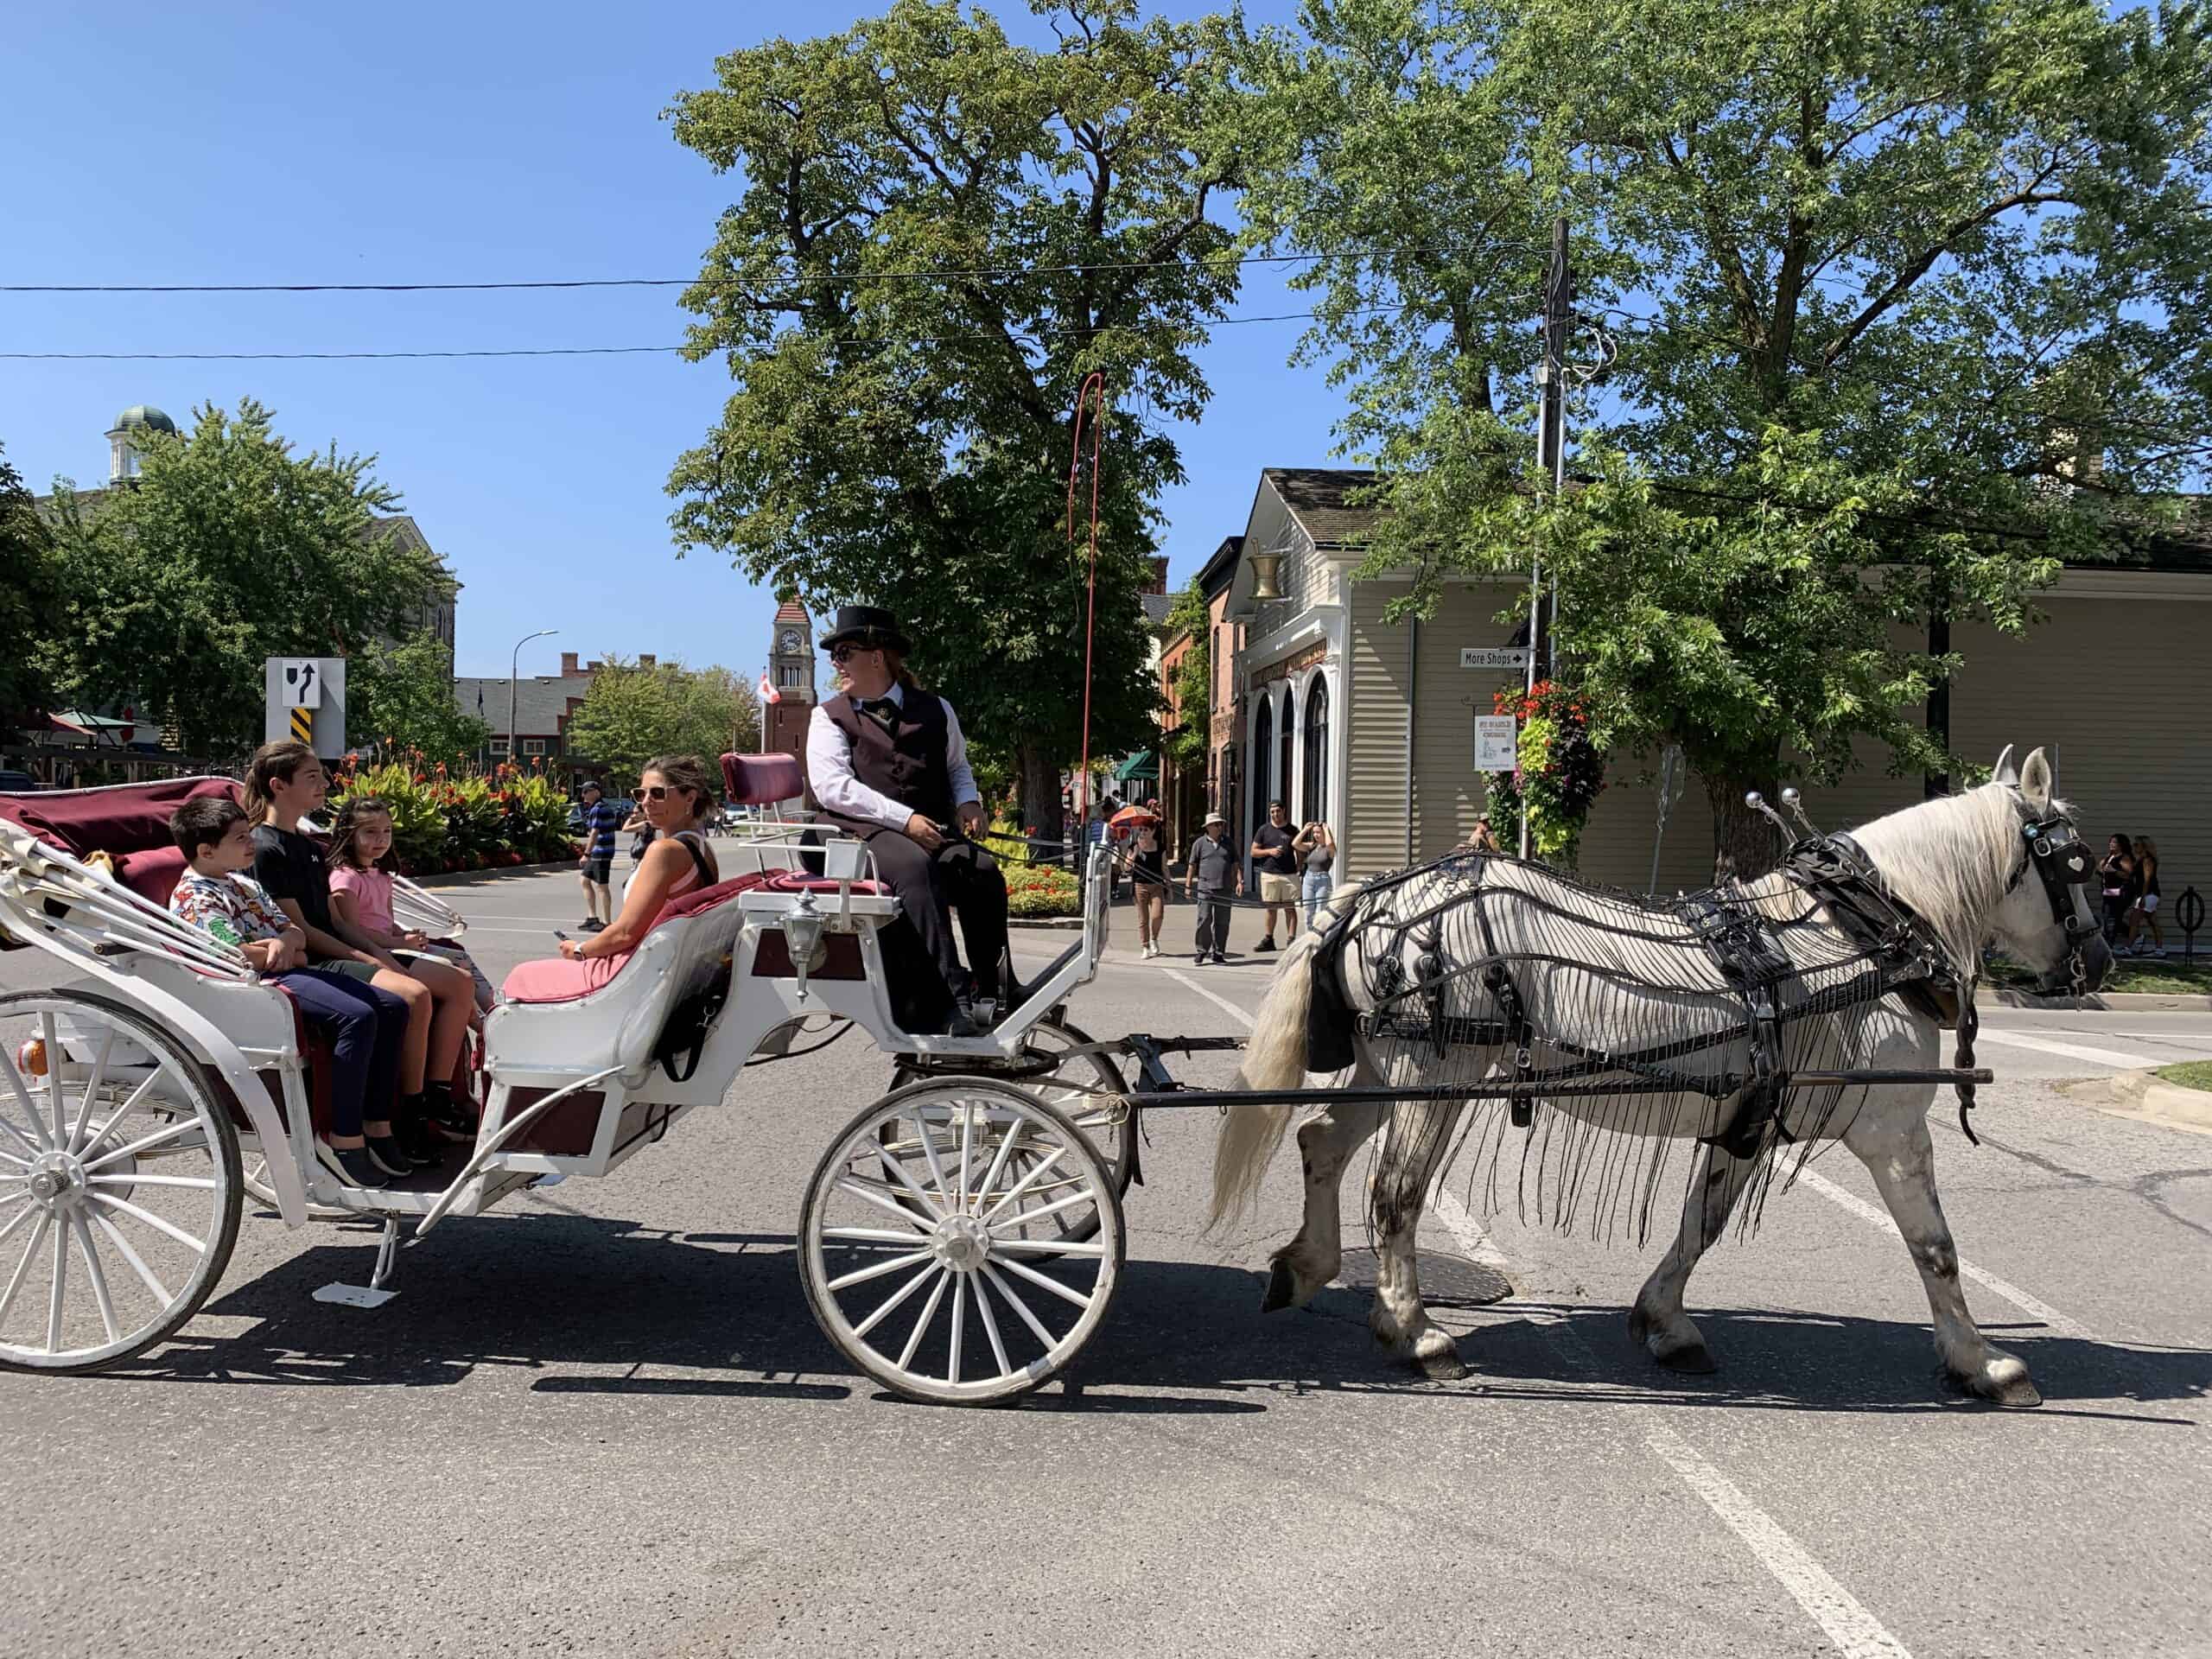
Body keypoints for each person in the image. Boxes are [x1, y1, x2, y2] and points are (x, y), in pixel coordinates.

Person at [168, 795, 410, 1190]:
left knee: (393, 1005)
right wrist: (279, 948)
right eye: (240, 838)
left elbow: (291, 931)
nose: (251, 843)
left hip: (285, 971)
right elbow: (230, 954)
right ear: (206, 850)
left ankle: (377, 1121)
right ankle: (342, 1136)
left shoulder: (244, 884)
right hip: (252, 988)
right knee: (358, 1016)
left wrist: (284, 944)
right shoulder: (195, 896)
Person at [245, 741, 470, 1163]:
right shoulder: (265, 847)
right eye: (311, 776)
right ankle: (404, 1115)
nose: (324, 783)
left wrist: (378, 952)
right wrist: (368, 959)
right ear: (278, 785)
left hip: (337, 948)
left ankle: (416, 1105)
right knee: (414, 995)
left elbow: (339, 921)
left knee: (428, 989)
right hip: (309, 958)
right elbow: (305, 930)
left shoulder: (309, 847)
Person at [804, 606, 1008, 1037]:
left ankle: (997, 988)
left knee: (983, 872)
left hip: (925, 828)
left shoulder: (936, 709)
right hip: (851, 832)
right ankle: (950, 1002)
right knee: (916, 870)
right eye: (835, 654)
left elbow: (957, 767)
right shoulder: (828, 716)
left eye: (843, 652)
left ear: (876, 657)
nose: (835, 662)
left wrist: (969, 802)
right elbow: (833, 789)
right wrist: (906, 819)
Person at [503, 755, 721, 1001]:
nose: (646, 803)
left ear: (690, 798)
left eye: (658, 793)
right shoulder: (703, 848)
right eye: (641, 794)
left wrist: (579, 950)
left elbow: (625, 933)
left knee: (521, 976)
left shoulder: (665, 851)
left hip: (640, 971)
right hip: (673, 966)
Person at [327, 796, 494, 1023]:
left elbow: (386, 922)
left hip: (393, 945)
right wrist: (400, 943)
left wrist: (406, 935)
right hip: (375, 952)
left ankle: (494, 1010)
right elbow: (351, 931)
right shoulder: (346, 878)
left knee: (458, 954)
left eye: (387, 831)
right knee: (452, 965)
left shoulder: (381, 875)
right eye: (370, 832)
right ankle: (482, 1023)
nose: (381, 839)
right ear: (349, 836)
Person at [1186, 810, 1241, 963]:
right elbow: (1192, 865)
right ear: (1208, 827)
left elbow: (1235, 863)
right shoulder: (1199, 843)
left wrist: (1239, 881)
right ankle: (1202, 950)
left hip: (1224, 887)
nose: (1219, 827)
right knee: (1204, 919)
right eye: (1216, 825)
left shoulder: (1228, 843)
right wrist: (1188, 885)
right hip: (1205, 887)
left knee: (1222, 922)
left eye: (1221, 824)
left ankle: (1218, 952)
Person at [1251, 800, 1300, 950]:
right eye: (1272, 812)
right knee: (1271, 908)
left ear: (1283, 810)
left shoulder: (1293, 830)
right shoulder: (1264, 830)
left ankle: (1291, 939)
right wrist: (1269, 851)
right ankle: (1268, 939)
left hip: (1289, 874)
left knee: (1289, 908)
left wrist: (1299, 866)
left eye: (1278, 811)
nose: (1275, 814)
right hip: (1269, 873)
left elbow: (1300, 850)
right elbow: (1253, 852)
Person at [576, 779, 621, 932]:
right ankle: (592, 918)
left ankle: (607, 923)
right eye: (583, 792)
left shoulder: (598, 809)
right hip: (601, 851)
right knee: (584, 880)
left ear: (596, 792)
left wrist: (586, 854)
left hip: (601, 851)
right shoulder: (602, 807)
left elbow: (595, 832)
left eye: (586, 792)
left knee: (602, 886)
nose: (583, 795)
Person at [1128, 803, 1167, 959]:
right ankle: (1144, 946)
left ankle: (1154, 939)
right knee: (1143, 918)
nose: (1143, 833)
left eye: (1146, 830)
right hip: (1139, 885)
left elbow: (1165, 868)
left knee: (1157, 915)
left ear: (1153, 831)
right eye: (1141, 830)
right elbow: (1125, 867)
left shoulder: (1160, 847)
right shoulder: (1134, 846)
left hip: (1157, 884)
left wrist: (1170, 887)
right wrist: (1134, 854)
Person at [2125, 834, 2167, 957]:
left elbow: (2147, 880)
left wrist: (2143, 897)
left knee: (2134, 920)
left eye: (2136, 844)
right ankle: (2159, 949)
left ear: (2144, 846)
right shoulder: (2140, 859)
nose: (2134, 847)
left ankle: (2128, 948)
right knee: (2153, 922)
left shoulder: (2148, 860)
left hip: (2148, 894)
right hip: (2148, 895)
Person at [1294, 817, 1337, 931]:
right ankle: (1309, 935)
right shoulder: (1312, 846)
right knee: (1308, 910)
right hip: (1308, 879)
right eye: (1314, 833)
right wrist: (1305, 830)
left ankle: (1320, 935)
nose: (1316, 835)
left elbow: (1330, 844)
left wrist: (1326, 829)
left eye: (1318, 832)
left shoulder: (1330, 849)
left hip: (1323, 880)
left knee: (1320, 911)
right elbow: (1295, 844)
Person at [2097, 834, 2138, 947]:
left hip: (2121, 893)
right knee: (2108, 917)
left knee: (2112, 918)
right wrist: (2101, 869)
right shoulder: (2109, 857)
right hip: (2109, 892)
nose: (2111, 844)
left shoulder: (2124, 857)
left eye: (2114, 842)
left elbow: (2129, 875)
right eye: (2110, 842)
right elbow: (2100, 868)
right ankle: (2135, 936)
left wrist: (2114, 871)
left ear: (2121, 845)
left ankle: (2109, 945)